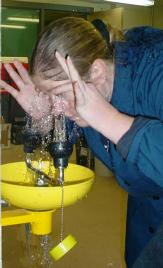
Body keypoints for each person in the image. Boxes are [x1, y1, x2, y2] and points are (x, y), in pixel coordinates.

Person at [1, 17, 163, 267]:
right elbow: (66, 129)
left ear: (96, 71)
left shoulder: (155, 72)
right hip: (145, 201)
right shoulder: (82, 92)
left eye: (62, 95)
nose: (60, 108)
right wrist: (45, 117)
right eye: (51, 97)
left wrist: (111, 120)